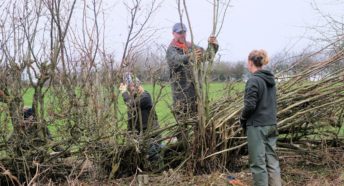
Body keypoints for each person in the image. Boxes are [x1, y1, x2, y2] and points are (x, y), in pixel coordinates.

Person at [165, 22, 219, 140]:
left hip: (196, 95)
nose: (182, 35)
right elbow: (175, 61)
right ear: (173, 33)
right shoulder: (171, 50)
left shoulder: (191, 46)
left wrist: (212, 45)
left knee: (198, 126)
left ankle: (197, 150)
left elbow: (208, 56)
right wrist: (190, 56)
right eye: (179, 33)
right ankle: (183, 150)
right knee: (182, 129)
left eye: (184, 32)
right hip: (181, 97)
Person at [240, 49, 282, 186]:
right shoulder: (270, 80)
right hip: (271, 124)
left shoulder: (253, 81)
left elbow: (250, 105)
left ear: (250, 62)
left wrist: (243, 119)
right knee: (272, 161)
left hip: (257, 126)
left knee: (258, 164)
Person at [119, 73, 161, 161]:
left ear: (139, 85)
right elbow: (131, 123)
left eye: (135, 85)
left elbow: (131, 104)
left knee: (154, 157)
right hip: (140, 137)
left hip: (152, 136)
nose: (133, 88)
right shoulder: (133, 100)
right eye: (130, 86)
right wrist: (130, 138)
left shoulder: (146, 96)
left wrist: (124, 93)